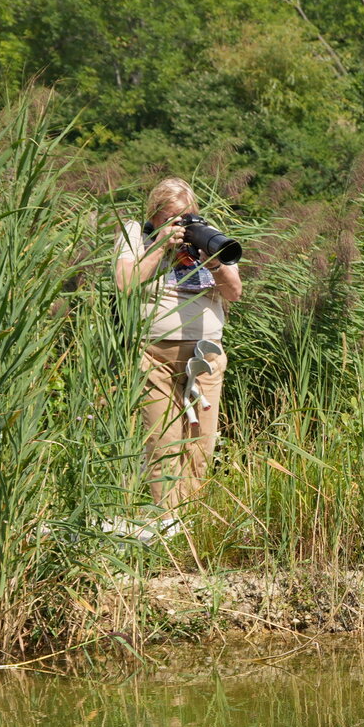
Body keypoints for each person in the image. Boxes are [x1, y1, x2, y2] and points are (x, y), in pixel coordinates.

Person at [114, 178, 241, 516]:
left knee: (202, 444)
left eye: (185, 218)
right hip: (153, 355)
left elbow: (234, 293)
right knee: (162, 442)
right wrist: (160, 246)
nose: (181, 227)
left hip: (206, 356)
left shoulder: (208, 235)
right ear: (154, 218)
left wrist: (213, 261)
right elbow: (125, 283)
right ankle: (167, 524)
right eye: (172, 219)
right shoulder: (136, 236)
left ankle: (192, 526)